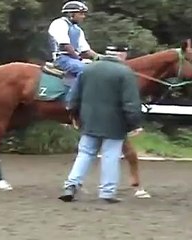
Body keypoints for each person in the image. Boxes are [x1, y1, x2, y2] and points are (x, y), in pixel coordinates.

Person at [58, 45, 143, 203]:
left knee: (85, 153)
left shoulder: (88, 69)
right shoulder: (125, 73)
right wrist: (134, 124)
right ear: (122, 55)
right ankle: (107, 193)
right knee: (110, 155)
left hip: (89, 120)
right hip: (114, 123)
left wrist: (75, 116)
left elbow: (73, 98)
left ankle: (71, 185)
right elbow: (130, 103)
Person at [47, 0, 100, 109]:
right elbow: (65, 45)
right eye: (81, 13)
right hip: (61, 59)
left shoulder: (78, 30)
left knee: (97, 68)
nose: (83, 16)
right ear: (71, 14)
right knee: (85, 70)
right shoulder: (59, 24)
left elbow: (86, 50)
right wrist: (79, 59)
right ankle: (71, 102)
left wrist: (101, 58)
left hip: (73, 59)